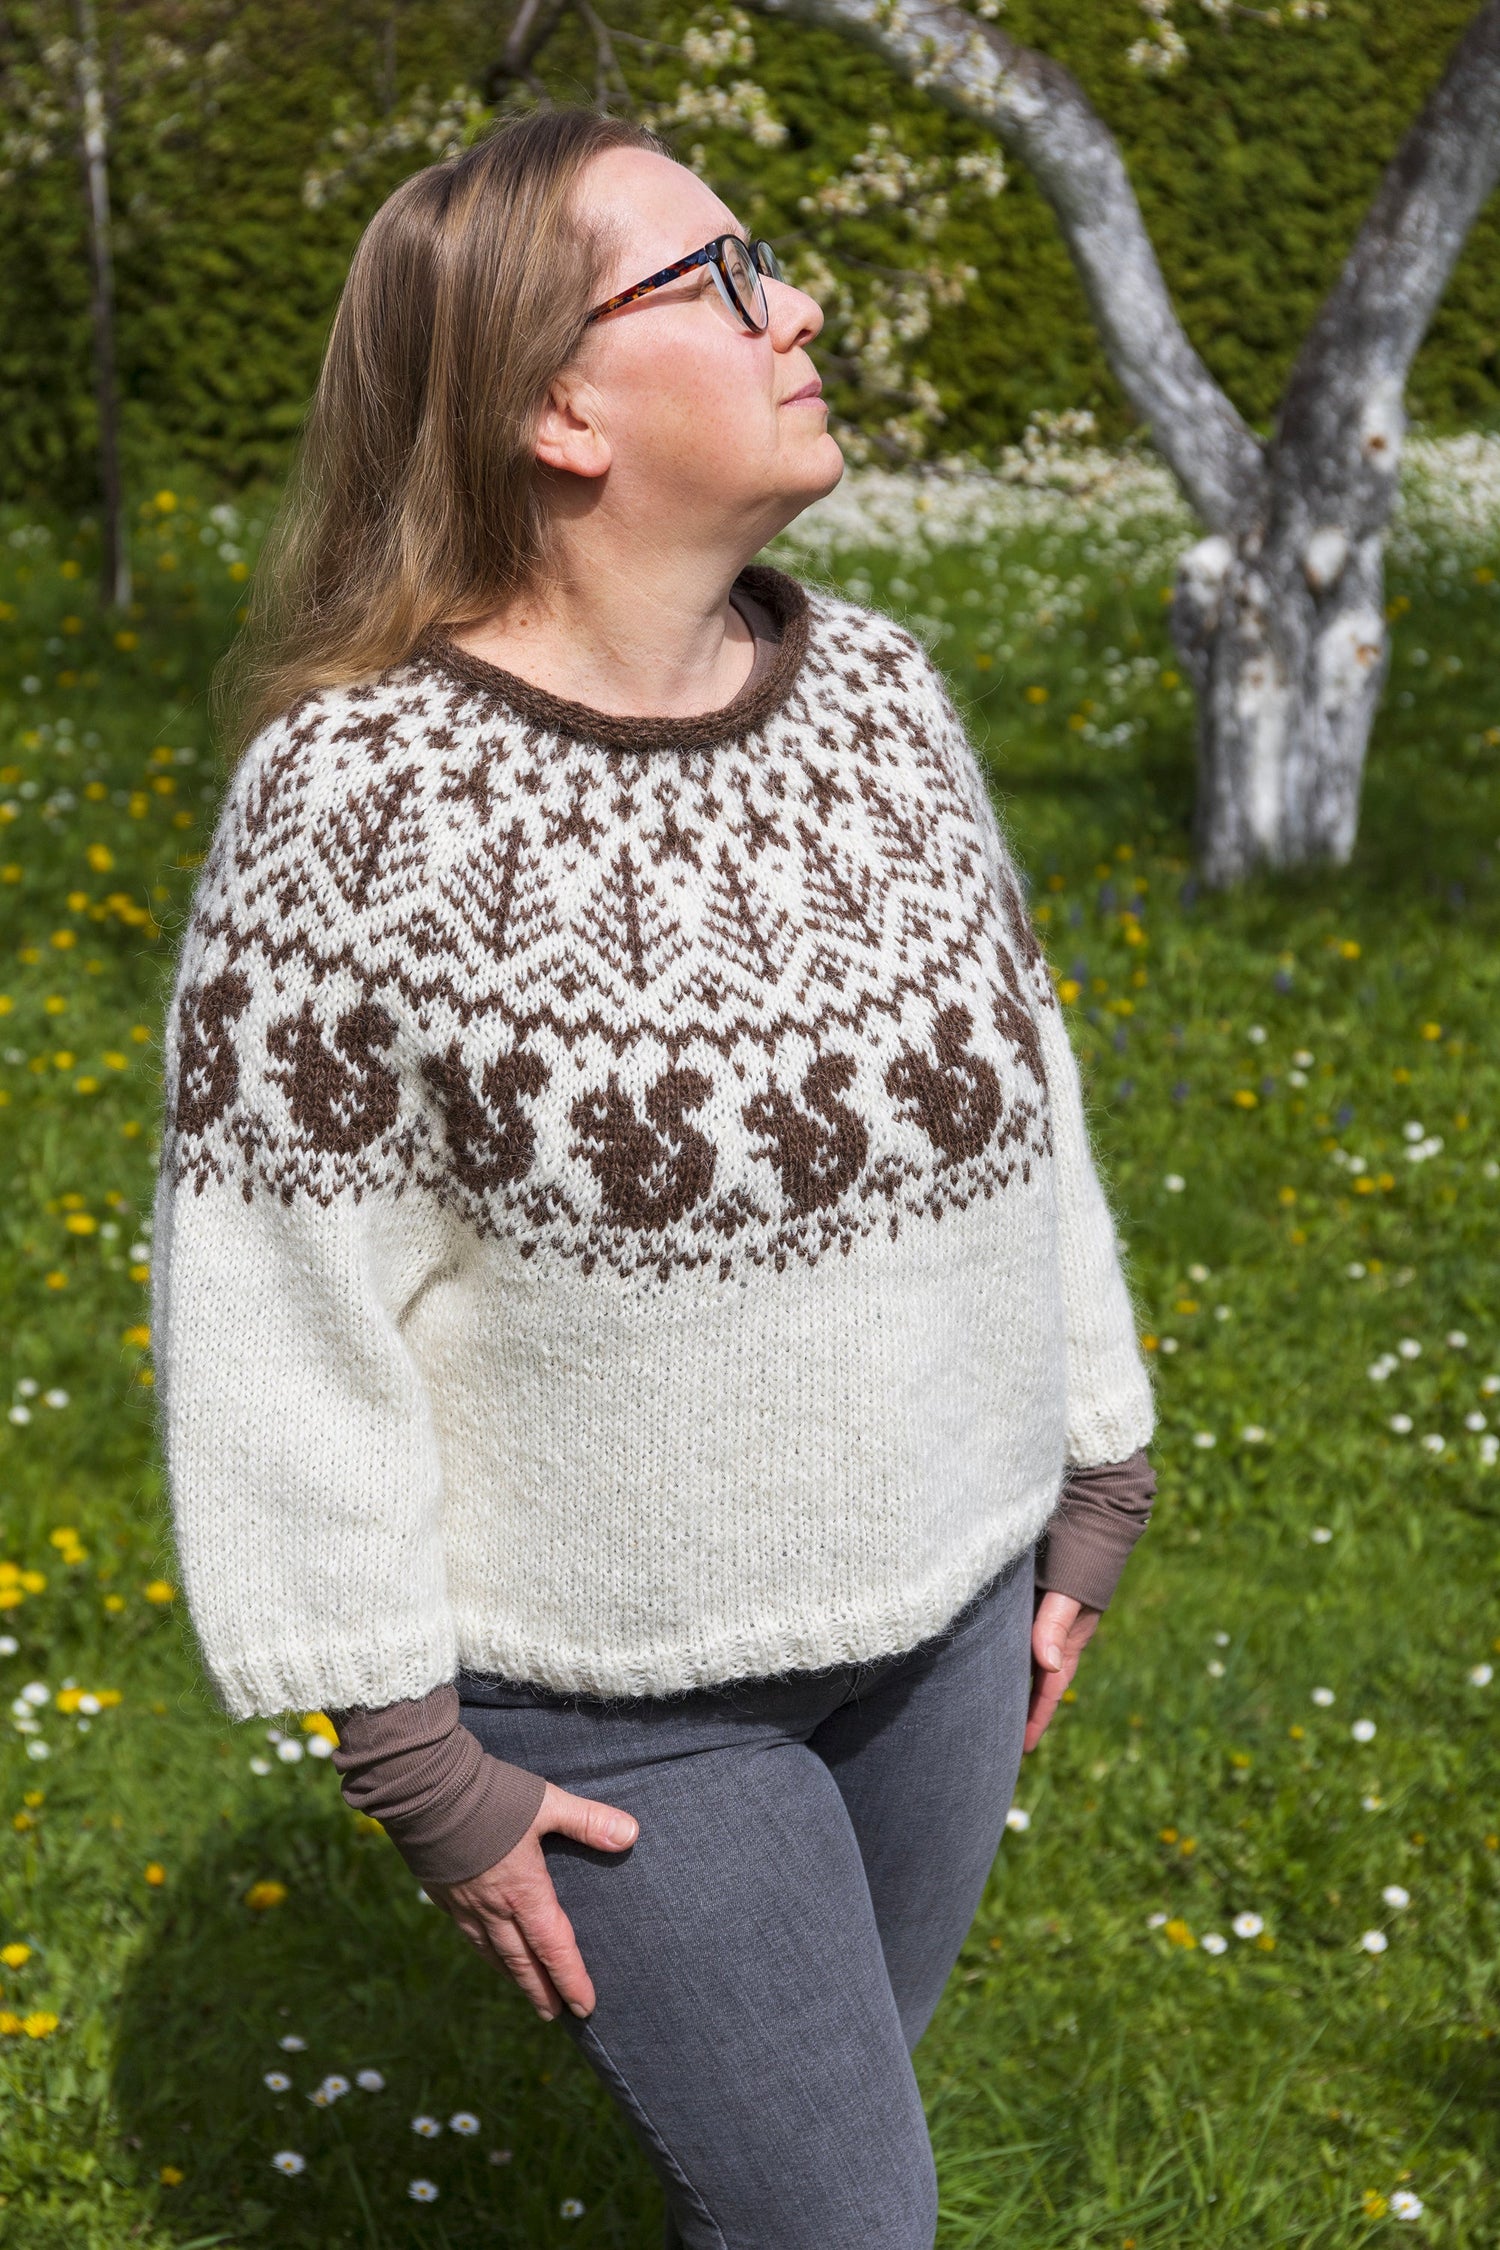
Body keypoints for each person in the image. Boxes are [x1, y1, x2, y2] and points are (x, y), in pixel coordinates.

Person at [152, 106, 1156, 2250]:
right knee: (849, 2227)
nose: (795, 306)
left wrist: (1096, 1465)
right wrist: (410, 1750)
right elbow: (278, 1303)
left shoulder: (883, 694)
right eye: (716, 279)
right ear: (554, 403)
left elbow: (1023, 1099)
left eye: (767, 258)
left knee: (793, 2190)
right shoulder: (356, 802)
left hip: (957, 1614)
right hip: (610, 1710)